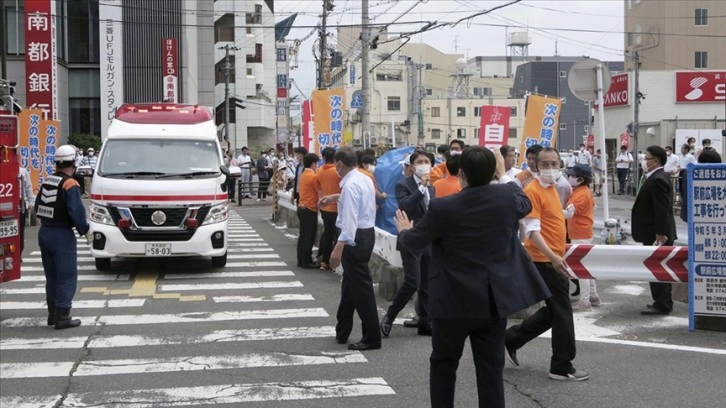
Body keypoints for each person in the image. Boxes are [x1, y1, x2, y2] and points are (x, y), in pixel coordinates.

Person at [394, 146, 550, 408]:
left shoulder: (443, 208)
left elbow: (413, 242)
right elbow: (525, 203)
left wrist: (404, 230)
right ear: (493, 171)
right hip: (491, 301)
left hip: (451, 301)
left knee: (444, 366)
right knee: (490, 372)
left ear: (461, 173)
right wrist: (502, 175)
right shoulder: (506, 198)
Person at [505, 147, 590, 382]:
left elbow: (549, 216)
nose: (551, 168)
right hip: (544, 259)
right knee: (562, 311)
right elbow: (532, 231)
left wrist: (565, 214)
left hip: (551, 257)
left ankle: (512, 338)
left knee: (555, 311)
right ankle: (562, 365)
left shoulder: (552, 188)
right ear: (535, 166)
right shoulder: (532, 191)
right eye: (545, 164)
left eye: (555, 163)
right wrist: (552, 257)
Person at [325, 147, 380, 351]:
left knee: (362, 289)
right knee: (350, 285)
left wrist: (338, 247)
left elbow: (349, 220)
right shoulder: (363, 178)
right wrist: (334, 198)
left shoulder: (350, 185)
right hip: (366, 234)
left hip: (354, 238)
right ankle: (343, 330)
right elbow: (360, 206)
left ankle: (372, 336)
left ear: (339, 164)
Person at [380, 149, 436, 338]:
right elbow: (405, 206)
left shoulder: (432, 188)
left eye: (426, 161)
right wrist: (421, 188)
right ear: (412, 166)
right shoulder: (403, 185)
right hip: (410, 239)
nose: (423, 164)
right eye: (419, 161)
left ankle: (425, 322)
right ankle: (390, 315)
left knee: (427, 283)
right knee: (413, 281)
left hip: (429, 240)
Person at [34, 145, 91, 330]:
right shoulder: (70, 184)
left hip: (45, 233)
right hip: (62, 235)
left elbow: (37, 207)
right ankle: (63, 316)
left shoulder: (47, 181)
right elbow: (76, 211)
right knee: (66, 275)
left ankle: (52, 314)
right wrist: (85, 230)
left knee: (52, 277)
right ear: (74, 162)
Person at [632, 145, 677, 315]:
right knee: (655, 267)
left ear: (655, 161)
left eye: (647, 158)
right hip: (652, 232)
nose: (644, 161)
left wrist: (660, 233)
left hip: (657, 234)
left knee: (658, 267)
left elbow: (661, 209)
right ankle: (660, 301)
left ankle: (663, 303)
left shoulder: (658, 179)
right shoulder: (653, 177)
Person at [565, 164, 600, 311]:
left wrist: (551, 210)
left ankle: (585, 300)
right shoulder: (582, 191)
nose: (569, 177)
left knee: (580, 269)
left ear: (580, 179)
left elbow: (568, 213)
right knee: (586, 266)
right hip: (584, 232)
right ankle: (593, 295)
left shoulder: (580, 194)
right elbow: (594, 206)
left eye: (572, 175)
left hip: (580, 234)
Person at [314, 147, 342, 270]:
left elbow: (318, 188)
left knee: (327, 233)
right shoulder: (338, 172)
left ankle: (324, 261)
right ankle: (333, 262)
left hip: (324, 207)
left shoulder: (319, 171)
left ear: (323, 157)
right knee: (337, 235)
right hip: (337, 208)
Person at [296, 153, 320, 269]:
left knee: (303, 235)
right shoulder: (313, 177)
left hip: (301, 207)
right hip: (310, 208)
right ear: (313, 164)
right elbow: (319, 192)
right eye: (317, 163)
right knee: (309, 236)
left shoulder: (303, 175)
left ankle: (300, 260)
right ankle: (307, 261)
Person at [18, 166, 35, 255]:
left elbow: (28, 187)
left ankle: (18, 254)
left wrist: (31, 202)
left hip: (20, 202)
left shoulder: (22, 171)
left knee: (20, 231)